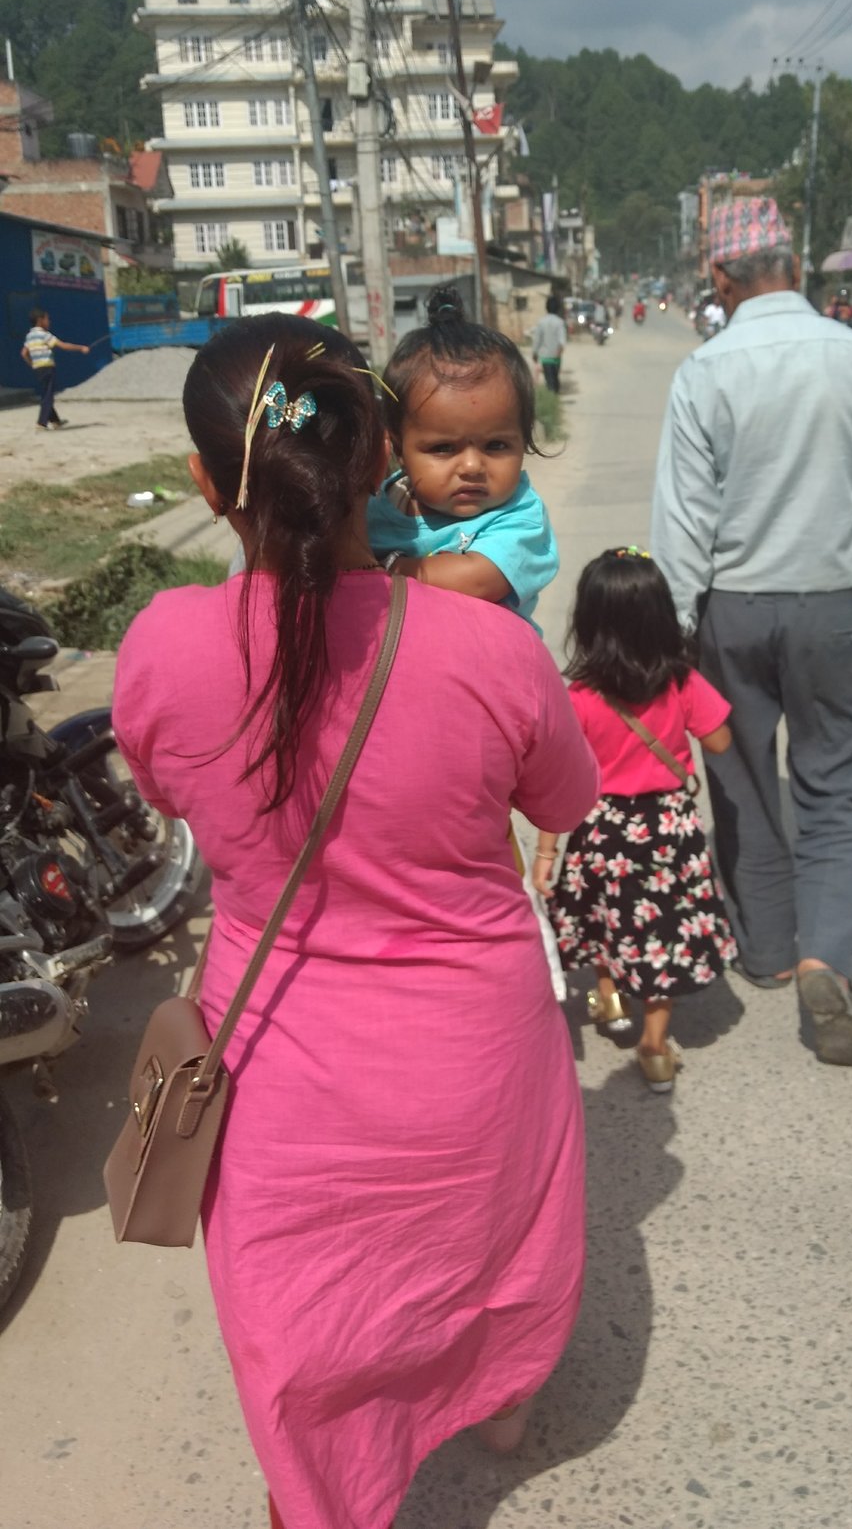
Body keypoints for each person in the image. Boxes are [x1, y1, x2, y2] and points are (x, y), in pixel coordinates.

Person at [111, 314, 600, 1529]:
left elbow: (172, 791)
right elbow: (563, 799)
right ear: (380, 457)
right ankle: (491, 1401)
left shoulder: (162, 643)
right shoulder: (490, 645)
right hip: (472, 1055)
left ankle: (321, 1497)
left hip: (278, 1068)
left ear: (205, 481)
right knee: (486, 1252)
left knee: (312, 1312)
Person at [651, 196, 852, 1068]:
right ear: (797, 268)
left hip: (733, 609)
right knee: (836, 788)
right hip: (835, 608)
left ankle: (767, 949)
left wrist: (677, 628)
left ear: (721, 278)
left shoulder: (705, 373)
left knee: (738, 776)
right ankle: (824, 956)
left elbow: (682, 520)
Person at [533, 547, 736, 1095]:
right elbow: (720, 741)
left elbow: (557, 780)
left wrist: (546, 854)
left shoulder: (579, 697)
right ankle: (654, 1044)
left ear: (590, 622)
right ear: (661, 617)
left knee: (605, 916)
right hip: (667, 831)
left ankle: (607, 994)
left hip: (601, 827)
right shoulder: (681, 683)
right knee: (660, 933)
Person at [368, 286, 558, 630]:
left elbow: (479, 579)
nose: (472, 467)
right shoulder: (378, 507)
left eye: (497, 445)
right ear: (398, 449)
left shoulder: (520, 516)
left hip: (492, 671)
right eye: (443, 448)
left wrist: (383, 568)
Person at [21, 306, 90, 430]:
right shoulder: (44, 335)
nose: (49, 321)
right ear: (40, 320)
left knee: (46, 393)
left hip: (38, 369)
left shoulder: (30, 335)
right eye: (47, 319)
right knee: (48, 396)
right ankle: (41, 423)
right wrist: (81, 348)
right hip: (47, 367)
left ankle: (56, 421)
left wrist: (32, 364)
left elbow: (24, 353)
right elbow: (63, 346)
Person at [531, 292, 568, 394]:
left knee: (549, 380)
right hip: (556, 357)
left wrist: (534, 353)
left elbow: (537, 340)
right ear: (557, 308)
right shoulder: (560, 322)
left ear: (546, 307)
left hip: (545, 357)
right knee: (555, 379)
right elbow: (562, 341)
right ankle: (554, 396)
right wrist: (558, 353)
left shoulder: (541, 322)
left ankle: (553, 397)